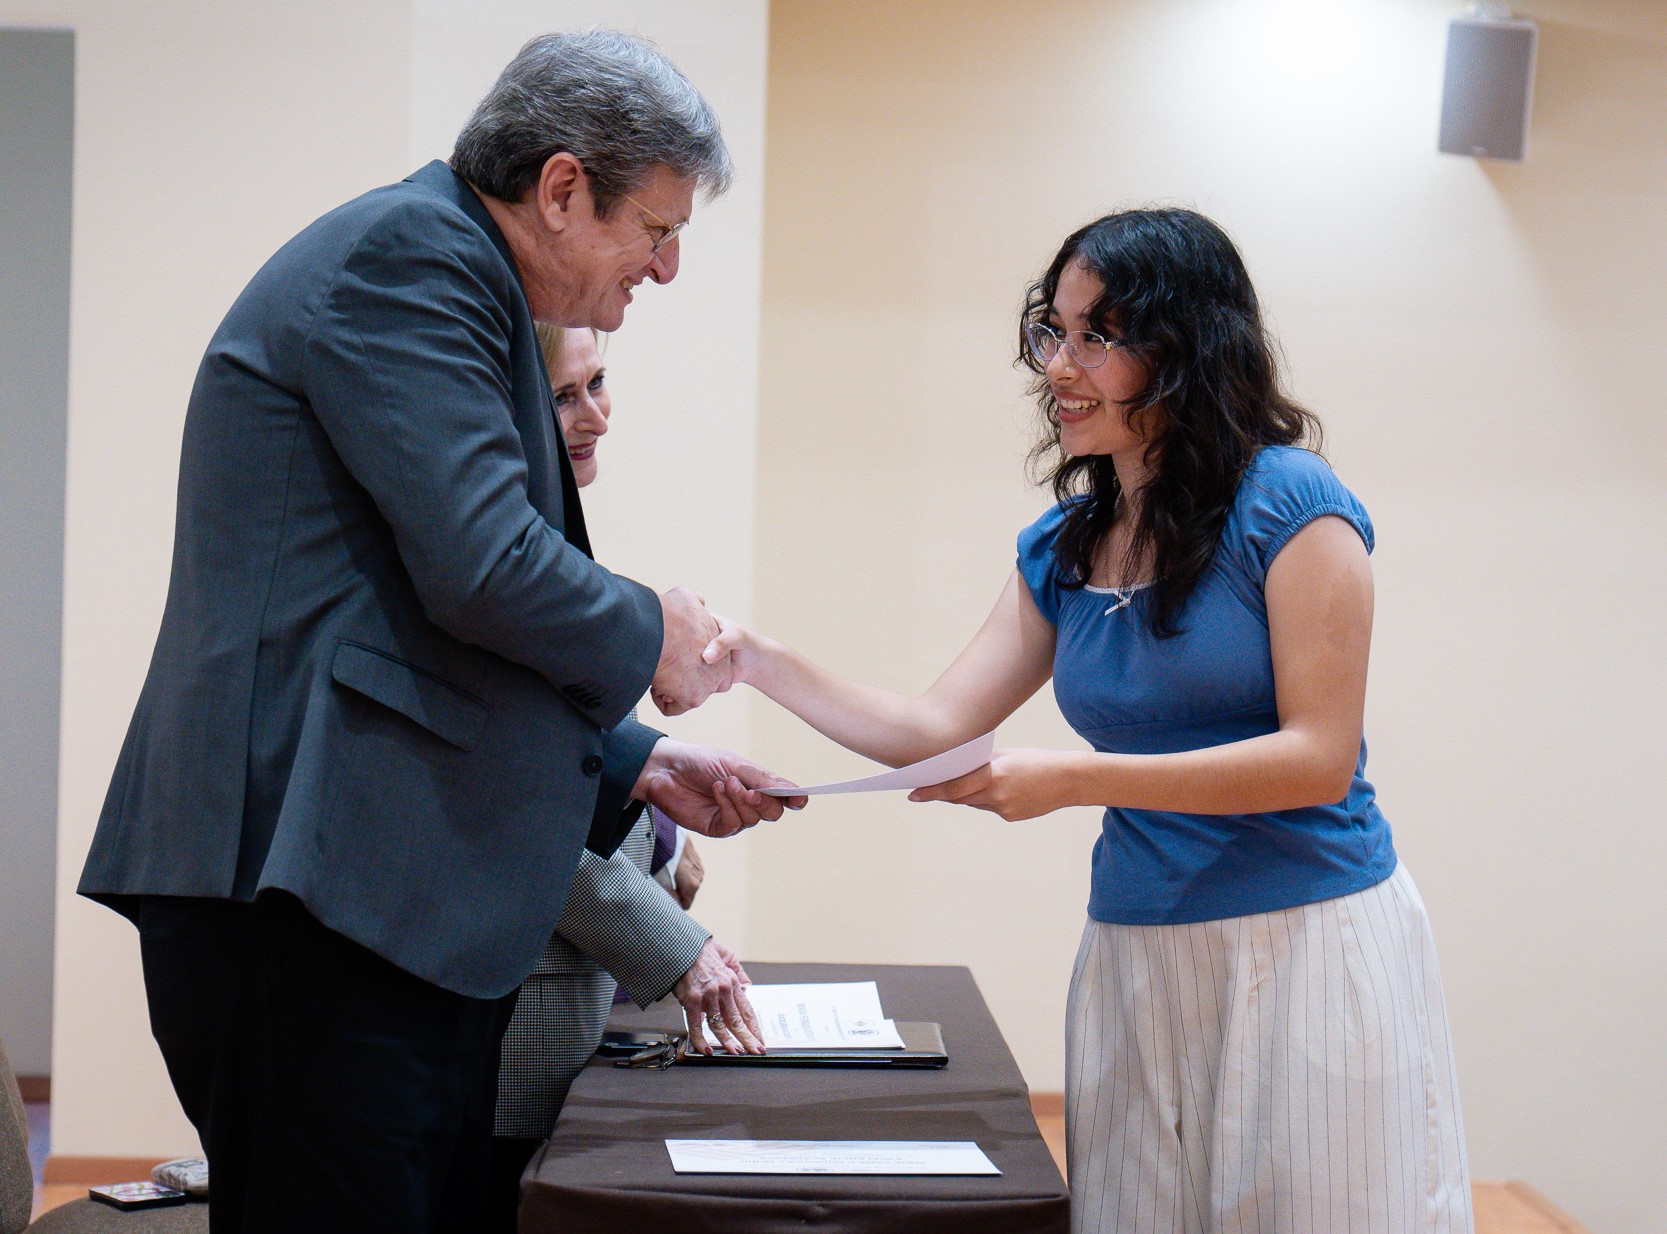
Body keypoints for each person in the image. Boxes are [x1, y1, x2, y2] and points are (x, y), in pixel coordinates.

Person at [77, 31, 800, 1234]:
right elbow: (481, 568)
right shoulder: (413, 259)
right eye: (658, 229)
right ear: (562, 189)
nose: (667, 270)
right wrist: (652, 630)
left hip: (367, 902)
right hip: (303, 900)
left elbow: (417, 618)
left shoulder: (452, 274)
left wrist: (635, 761)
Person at [704, 209, 1471, 1233]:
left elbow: (1317, 759)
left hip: (1309, 949)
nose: (1060, 366)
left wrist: (1076, 778)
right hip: (1137, 952)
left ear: (1189, 351)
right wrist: (758, 662)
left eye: (1097, 336)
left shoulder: (1294, 504)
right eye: (1053, 332)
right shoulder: (1066, 543)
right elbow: (935, 723)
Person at [485, 325, 761, 1231]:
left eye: (598, 384)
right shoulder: (491, 576)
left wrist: (664, 820)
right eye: (564, 396)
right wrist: (672, 945)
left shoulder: (545, 549)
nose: (594, 414)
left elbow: (569, 759)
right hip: (498, 1041)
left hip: (566, 1016)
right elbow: (500, 827)